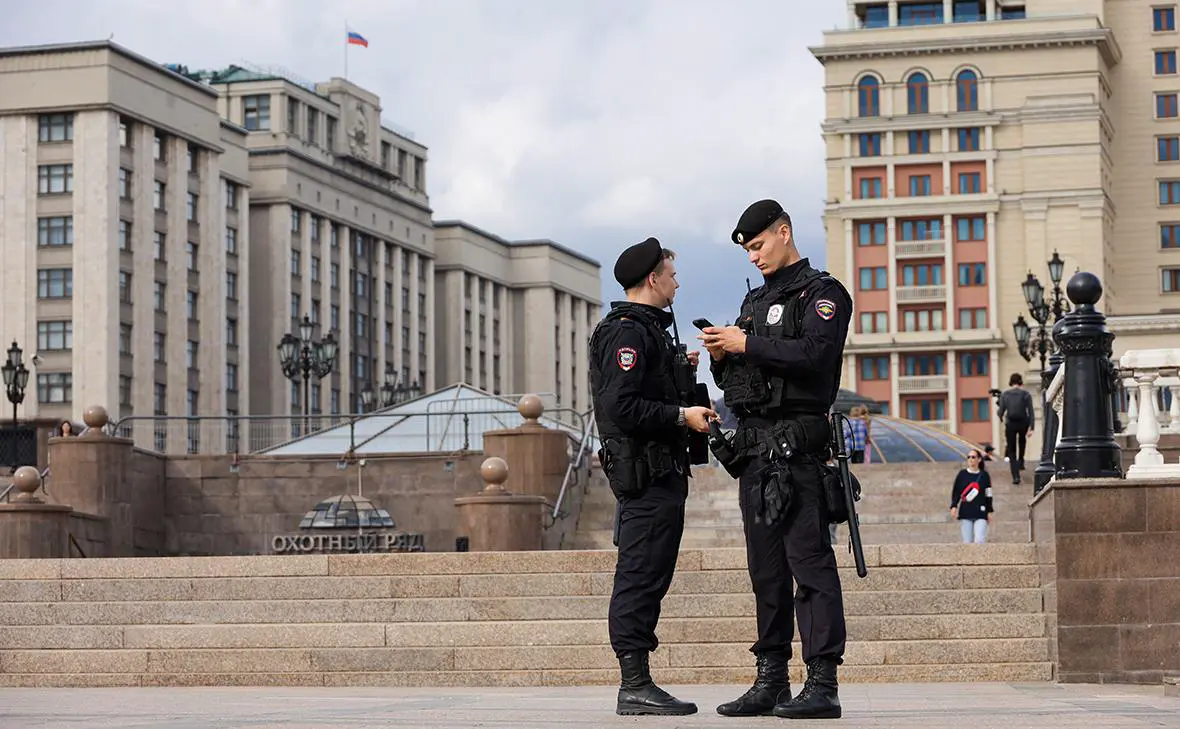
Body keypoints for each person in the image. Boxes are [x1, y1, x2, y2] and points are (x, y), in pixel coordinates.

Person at [699, 199, 853, 720]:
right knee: (766, 571)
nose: (754, 257)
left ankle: (823, 683)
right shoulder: (752, 304)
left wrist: (750, 342)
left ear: (784, 232)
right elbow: (742, 385)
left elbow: (816, 356)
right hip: (757, 455)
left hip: (799, 451)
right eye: (747, 251)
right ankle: (771, 679)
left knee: (809, 566)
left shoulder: (823, 294)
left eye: (759, 245)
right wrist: (724, 358)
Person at [588, 236, 716, 716]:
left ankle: (639, 681)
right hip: (645, 477)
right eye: (672, 274)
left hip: (662, 474)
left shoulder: (648, 333)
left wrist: (678, 374)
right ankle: (634, 683)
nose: (676, 282)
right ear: (652, 279)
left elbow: (641, 392)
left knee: (651, 572)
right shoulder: (627, 332)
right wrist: (681, 415)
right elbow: (620, 405)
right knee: (640, 574)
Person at [997, 373, 1035, 485]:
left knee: (1011, 449)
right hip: (1023, 422)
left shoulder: (1005, 394)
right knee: (1022, 440)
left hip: (1011, 423)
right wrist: (1031, 427)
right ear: (1020, 382)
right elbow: (1031, 412)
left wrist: (999, 416)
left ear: (1010, 382)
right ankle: (1021, 461)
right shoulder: (1026, 394)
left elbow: (1001, 411)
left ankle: (1015, 476)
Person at [950, 448, 993, 543]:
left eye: (973, 457)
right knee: (967, 541)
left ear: (979, 459)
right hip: (966, 512)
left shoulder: (984, 475)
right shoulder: (962, 474)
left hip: (981, 511)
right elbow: (956, 491)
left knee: (979, 540)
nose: (970, 459)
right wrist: (954, 506)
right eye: (968, 457)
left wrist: (989, 511)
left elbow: (988, 493)